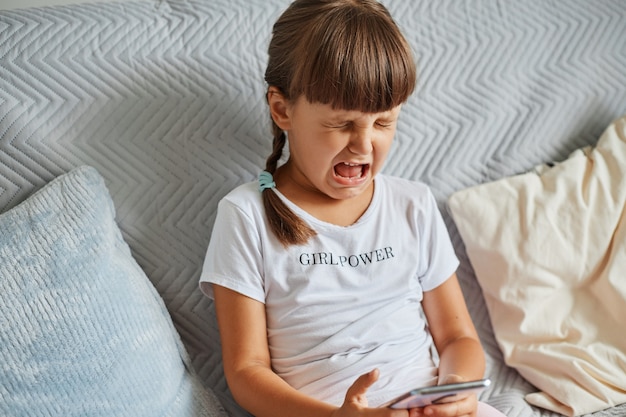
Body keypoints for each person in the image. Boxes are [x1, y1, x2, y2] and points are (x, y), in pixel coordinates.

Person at [200, 1, 507, 416]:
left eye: (383, 123)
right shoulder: (245, 216)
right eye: (342, 124)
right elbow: (246, 371)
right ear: (282, 109)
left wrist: (456, 389)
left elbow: (457, 339)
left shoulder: (412, 204)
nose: (364, 146)